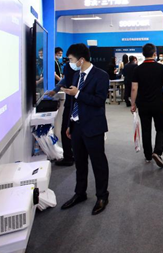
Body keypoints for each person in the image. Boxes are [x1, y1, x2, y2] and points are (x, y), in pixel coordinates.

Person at [60, 43, 110, 216]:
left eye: (71, 60)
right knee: (80, 163)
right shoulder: (76, 75)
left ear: (81, 60)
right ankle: (80, 193)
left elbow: (99, 101)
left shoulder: (101, 75)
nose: (70, 63)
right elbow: (72, 102)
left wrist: (78, 93)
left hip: (93, 126)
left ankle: (102, 196)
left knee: (98, 163)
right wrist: (69, 123)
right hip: (76, 126)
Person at [130, 43, 163, 168]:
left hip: (143, 104)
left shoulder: (137, 69)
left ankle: (148, 155)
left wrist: (133, 104)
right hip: (158, 103)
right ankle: (157, 152)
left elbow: (134, 88)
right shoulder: (161, 68)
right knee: (161, 128)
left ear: (143, 54)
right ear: (154, 54)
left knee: (146, 129)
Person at [45, 55, 76, 166]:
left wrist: (57, 89)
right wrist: (55, 90)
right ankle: (73, 154)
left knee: (66, 130)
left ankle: (69, 157)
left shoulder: (71, 67)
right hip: (75, 103)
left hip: (73, 103)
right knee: (72, 130)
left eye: (70, 58)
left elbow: (65, 80)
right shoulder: (75, 68)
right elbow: (65, 80)